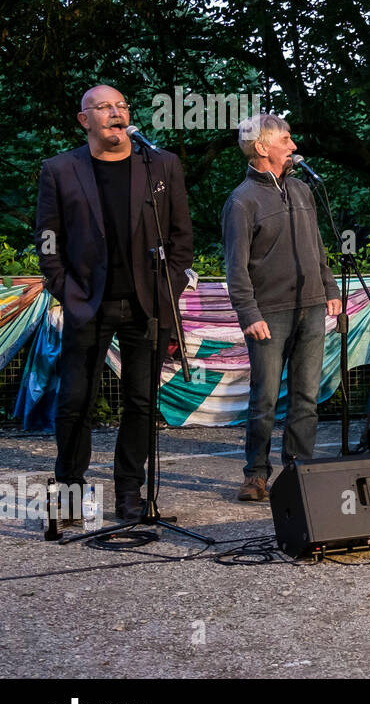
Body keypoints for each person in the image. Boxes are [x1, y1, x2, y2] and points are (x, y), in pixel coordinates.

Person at [35, 84, 193, 521]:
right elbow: (48, 239)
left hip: (148, 305)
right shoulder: (59, 169)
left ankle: (129, 494)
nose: (116, 113)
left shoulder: (160, 163)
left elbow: (181, 237)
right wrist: (65, 289)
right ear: (85, 120)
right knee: (75, 402)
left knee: (141, 402)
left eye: (122, 105)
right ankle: (69, 495)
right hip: (89, 303)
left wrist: (169, 288)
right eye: (104, 107)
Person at [222, 114, 342, 502]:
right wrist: (248, 314)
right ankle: (255, 474)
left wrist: (329, 288)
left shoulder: (304, 190)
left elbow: (318, 248)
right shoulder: (242, 200)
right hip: (268, 312)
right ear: (262, 147)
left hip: (310, 307)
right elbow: (235, 268)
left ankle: (299, 470)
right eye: (286, 139)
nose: (293, 146)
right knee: (265, 398)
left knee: (307, 395)